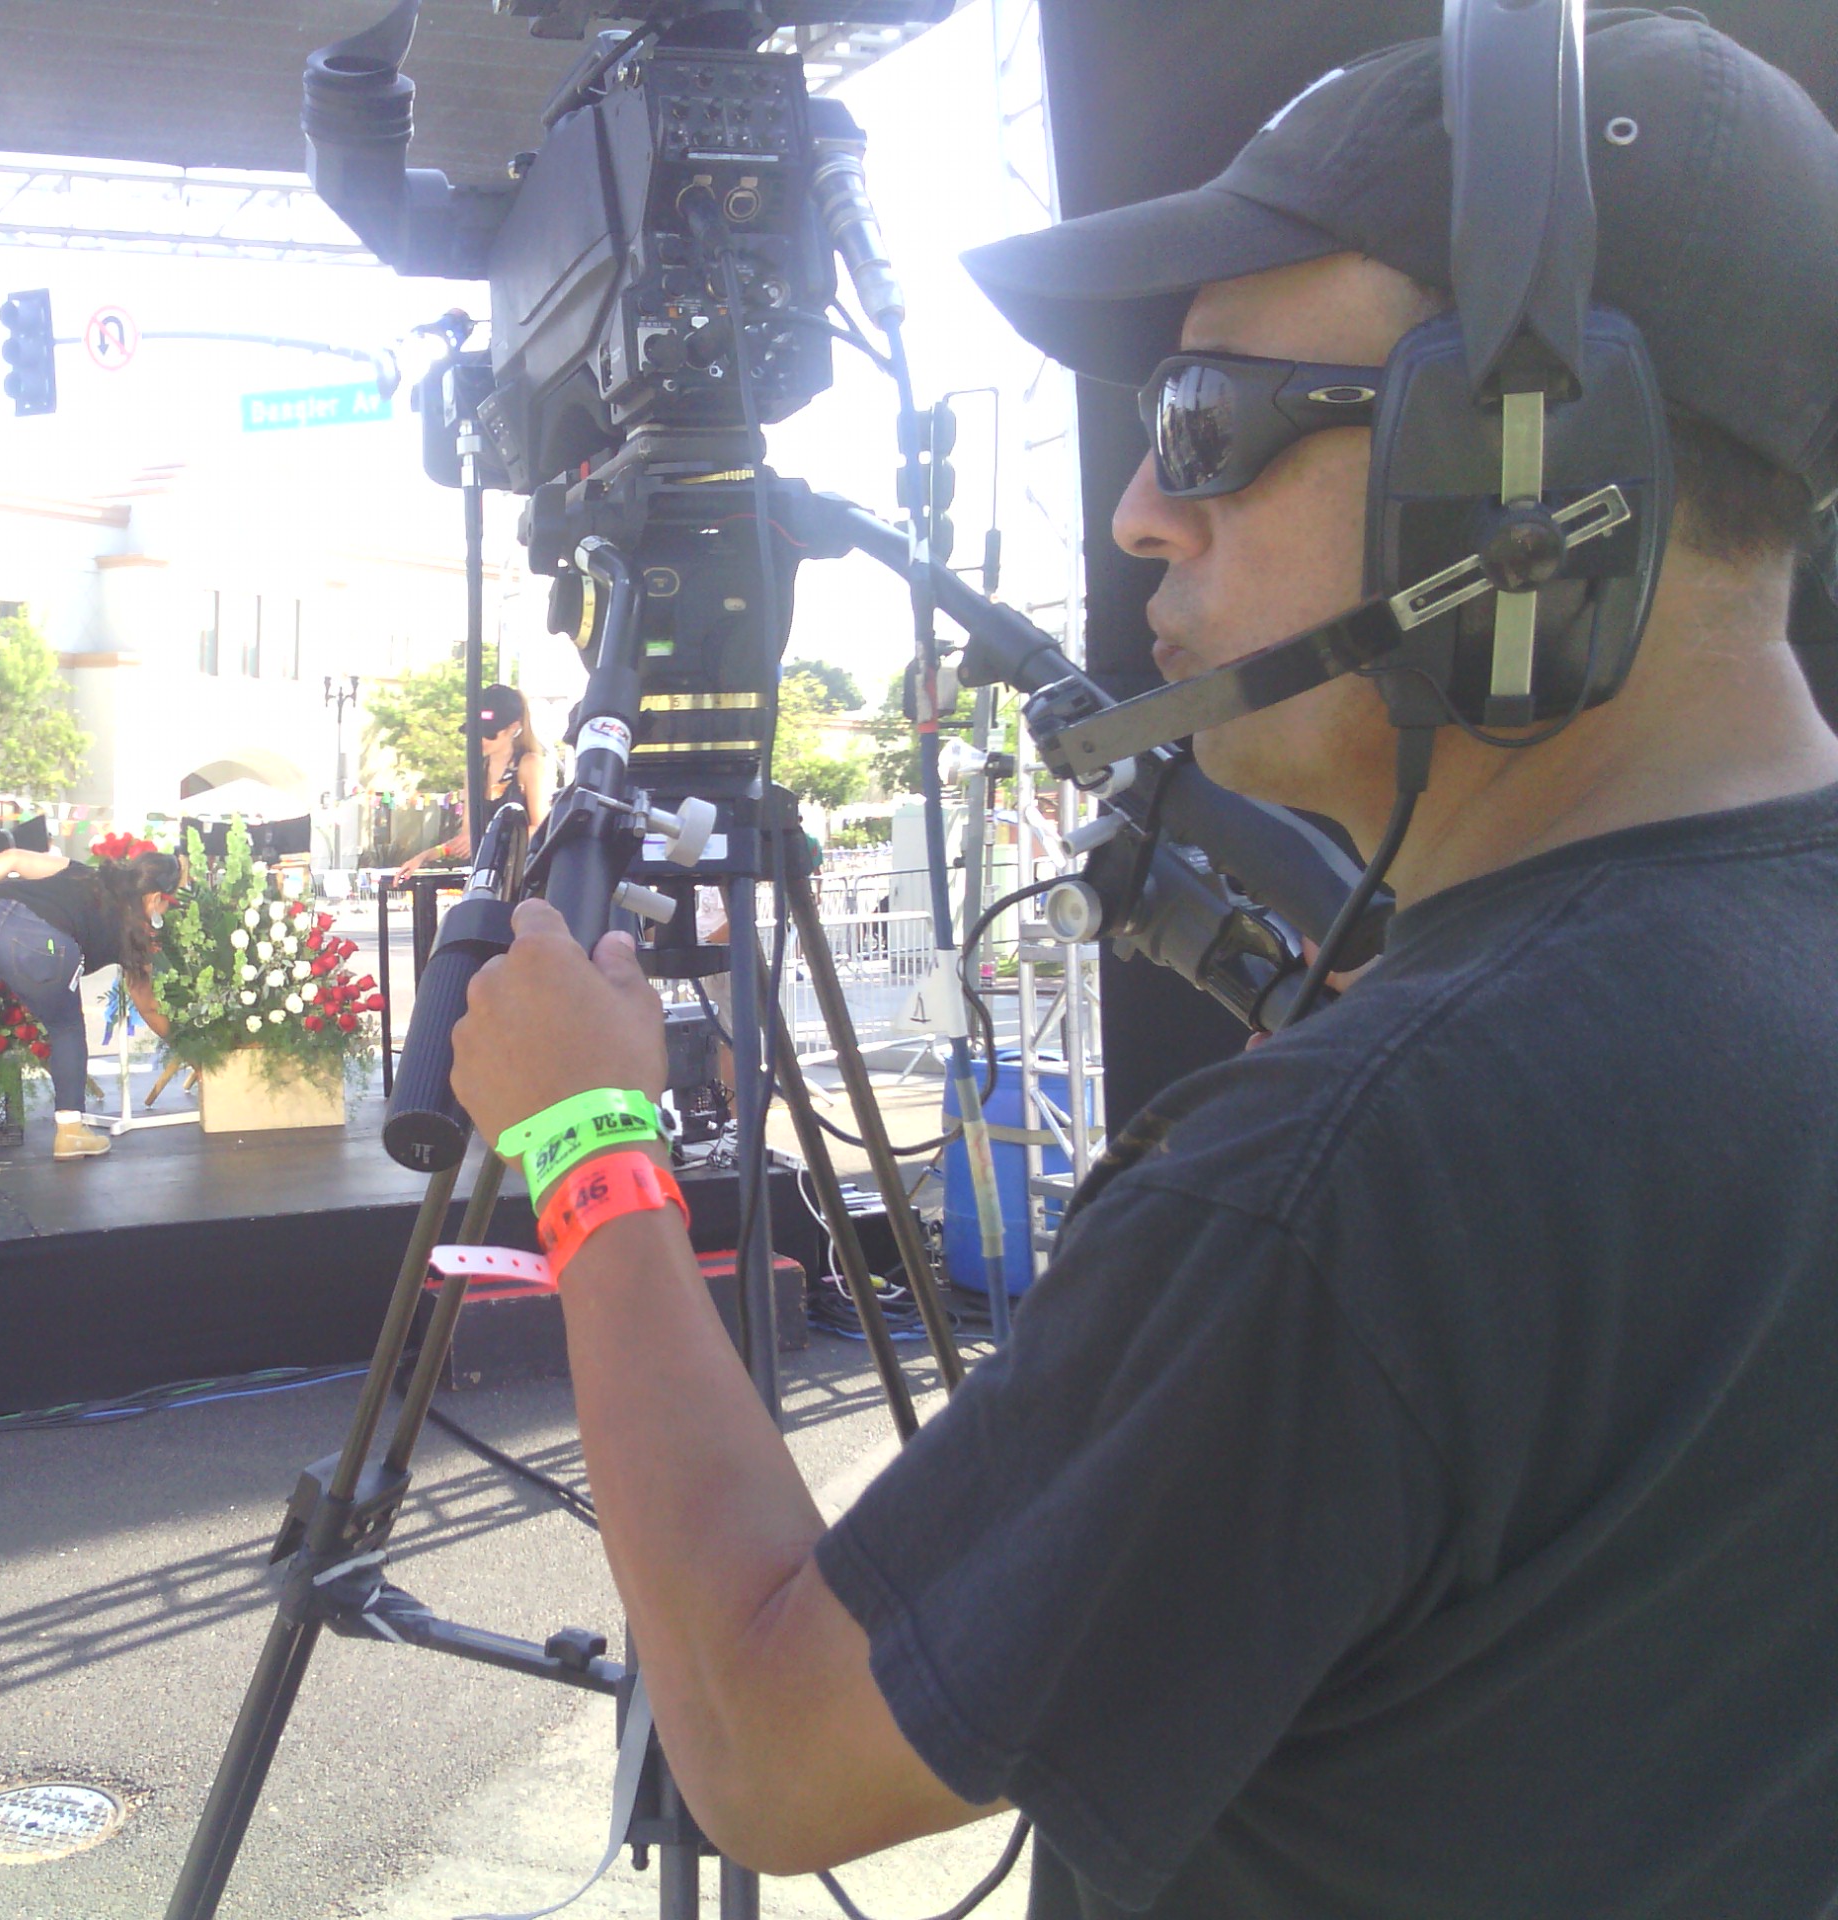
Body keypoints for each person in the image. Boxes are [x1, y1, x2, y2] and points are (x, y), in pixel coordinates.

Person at [446, 16, 1838, 1917]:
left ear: (1529, 476)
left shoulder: (1350, 1187)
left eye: (1210, 425)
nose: (1137, 510)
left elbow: (767, 1752)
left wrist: (594, 1148)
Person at [0, 843, 181, 1171]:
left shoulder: (84, 873)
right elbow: (149, 1009)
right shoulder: (134, 936)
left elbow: (12, 857)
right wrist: (188, 1050)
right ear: (154, 899)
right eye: (170, 905)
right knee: (66, 1028)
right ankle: (71, 1132)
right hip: (38, 942)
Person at [392, 683, 547, 881]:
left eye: (490, 732)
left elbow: (539, 828)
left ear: (514, 727)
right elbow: (467, 839)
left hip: (522, 875)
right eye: (477, 730)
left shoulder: (529, 763)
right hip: (485, 874)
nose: (481, 738)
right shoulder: (475, 770)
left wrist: (494, 842)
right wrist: (424, 857)